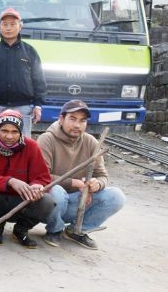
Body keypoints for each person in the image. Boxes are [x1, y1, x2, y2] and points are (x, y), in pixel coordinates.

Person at [39, 100, 125, 249]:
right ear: (61, 119)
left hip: (78, 200)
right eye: (72, 119)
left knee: (116, 196)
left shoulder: (91, 142)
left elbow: (102, 175)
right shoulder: (47, 139)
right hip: (50, 203)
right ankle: (55, 230)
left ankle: (76, 230)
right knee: (57, 192)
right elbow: (42, 176)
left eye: (82, 121)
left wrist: (96, 184)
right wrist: (75, 183)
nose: (77, 125)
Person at [0, 110, 54, 248]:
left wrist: (36, 185)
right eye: (4, 130)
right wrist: (10, 181)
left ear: (21, 131)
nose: (9, 136)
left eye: (15, 132)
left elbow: (43, 177)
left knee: (47, 201)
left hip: (21, 201)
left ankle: (21, 230)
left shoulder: (31, 146)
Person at [0, 8, 46, 137]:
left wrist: (38, 105)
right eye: (5, 25)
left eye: (12, 24)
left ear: (20, 26)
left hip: (23, 107)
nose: (8, 28)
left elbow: (38, 80)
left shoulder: (30, 51)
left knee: (23, 144)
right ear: (0, 27)